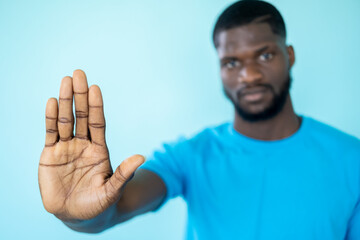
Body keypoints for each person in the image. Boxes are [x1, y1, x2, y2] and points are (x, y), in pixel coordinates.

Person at [38, 0, 360, 239]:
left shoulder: (352, 159)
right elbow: (113, 210)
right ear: (219, 68)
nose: (248, 75)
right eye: (232, 62)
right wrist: (79, 215)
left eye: (264, 55)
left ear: (288, 55)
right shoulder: (191, 155)